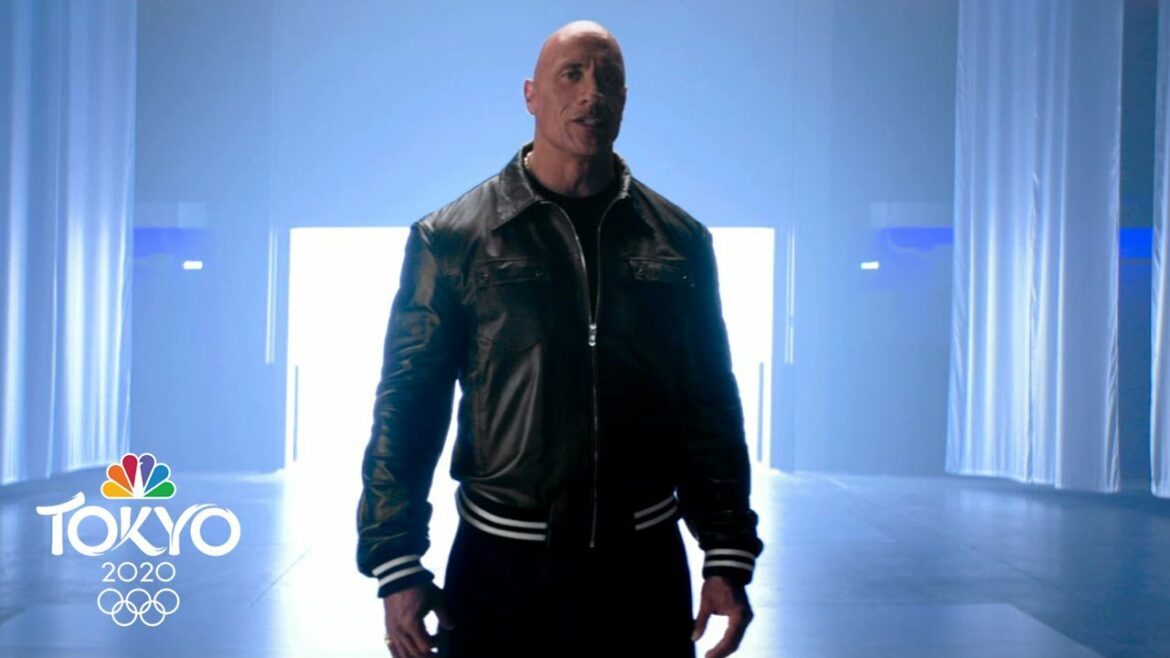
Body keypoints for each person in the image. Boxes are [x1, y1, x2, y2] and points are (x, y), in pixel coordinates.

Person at [356, 19, 763, 658]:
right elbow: (408, 407)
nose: (590, 93)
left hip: (642, 568)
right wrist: (396, 559)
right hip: (501, 570)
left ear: (625, 99)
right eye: (571, 74)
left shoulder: (679, 242)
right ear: (531, 95)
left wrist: (727, 553)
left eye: (608, 79)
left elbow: (709, 405)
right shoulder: (453, 239)